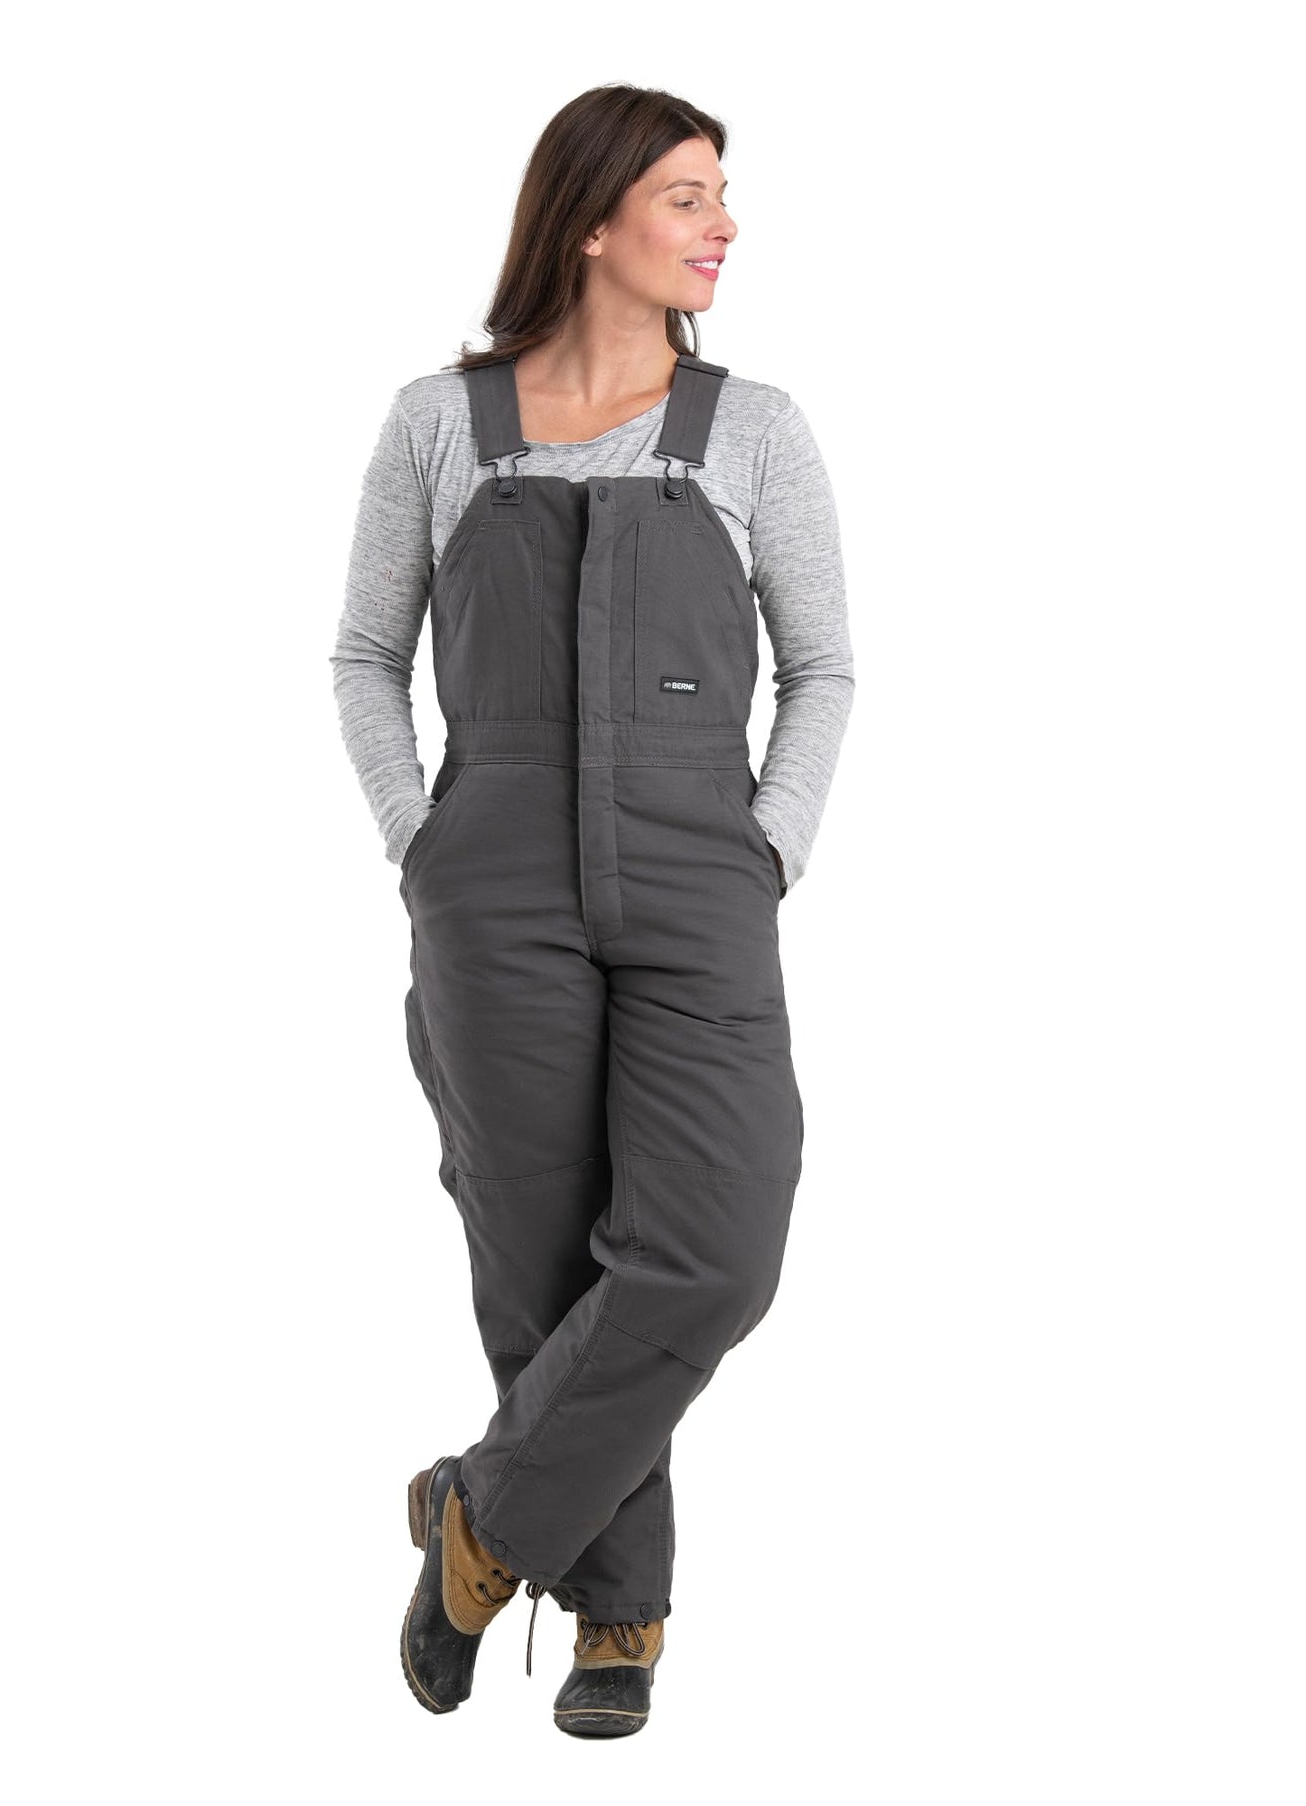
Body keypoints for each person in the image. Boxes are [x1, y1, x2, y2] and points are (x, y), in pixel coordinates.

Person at [331, 84, 854, 1738]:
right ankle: (617, 1614)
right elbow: (365, 655)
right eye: (688, 196)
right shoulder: (439, 422)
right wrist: (422, 840)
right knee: (544, 1256)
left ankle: (480, 1515)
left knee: (713, 1245)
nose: (722, 224)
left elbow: (824, 667)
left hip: (699, 868)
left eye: (720, 195)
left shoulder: (753, 428)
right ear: (590, 219)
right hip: (491, 875)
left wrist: (766, 846)